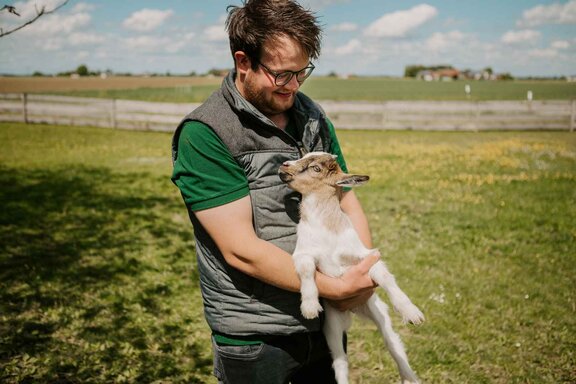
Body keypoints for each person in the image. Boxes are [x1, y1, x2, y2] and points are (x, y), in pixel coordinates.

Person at [171, 0, 379, 382]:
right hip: (258, 337)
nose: (294, 86)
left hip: (323, 322)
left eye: (303, 73)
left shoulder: (312, 116)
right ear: (243, 61)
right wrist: (334, 287)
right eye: (282, 75)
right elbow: (241, 250)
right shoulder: (206, 133)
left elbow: (346, 197)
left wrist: (361, 277)